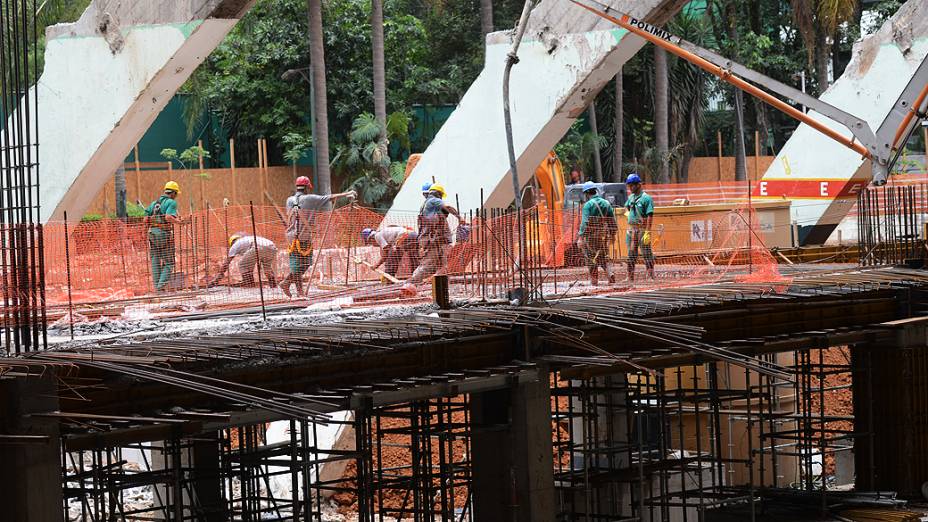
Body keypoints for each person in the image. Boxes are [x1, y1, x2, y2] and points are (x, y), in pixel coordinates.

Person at [278, 176, 357, 297]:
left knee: (303, 264)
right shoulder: (310, 199)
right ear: (306, 188)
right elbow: (330, 197)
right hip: (302, 236)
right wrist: (348, 193)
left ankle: (286, 282)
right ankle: (300, 293)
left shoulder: (289, 200)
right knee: (299, 266)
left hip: (292, 236)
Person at [409, 183, 461, 284]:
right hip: (433, 240)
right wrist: (460, 218)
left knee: (442, 265)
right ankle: (410, 284)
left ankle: (441, 286)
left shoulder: (427, 206)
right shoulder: (433, 200)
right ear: (438, 194)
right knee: (427, 265)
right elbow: (448, 207)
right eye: (441, 196)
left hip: (435, 240)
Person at [144, 181, 184, 292]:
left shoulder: (153, 204)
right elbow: (168, 217)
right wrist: (179, 222)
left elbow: (145, 219)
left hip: (152, 234)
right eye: (176, 194)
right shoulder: (171, 202)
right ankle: (160, 287)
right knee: (169, 263)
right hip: (163, 234)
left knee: (155, 260)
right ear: (173, 193)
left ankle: (158, 289)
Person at [577, 181, 617, 285]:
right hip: (603, 235)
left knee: (590, 257)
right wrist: (613, 235)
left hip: (591, 236)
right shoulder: (606, 203)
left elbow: (584, 222)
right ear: (595, 191)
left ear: (586, 193)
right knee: (603, 255)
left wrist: (580, 237)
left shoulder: (588, 205)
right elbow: (612, 221)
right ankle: (610, 273)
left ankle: (594, 281)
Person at [208, 234, 278, 287]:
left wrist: (219, 276)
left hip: (257, 247)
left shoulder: (235, 245)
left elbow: (227, 262)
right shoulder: (247, 239)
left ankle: (249, 285)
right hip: (272, 248)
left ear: (232, 242)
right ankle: (274, 286)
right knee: (267, 269)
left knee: (243, 265)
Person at [622, 173, 655, 281]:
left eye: (632, 185)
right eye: (629, 185)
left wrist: (648, 232)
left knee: (646, 253)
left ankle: (650, 275)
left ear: (638, 185)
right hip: (632, 230)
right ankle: (630, 276)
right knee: (631, 254)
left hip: (642, 229)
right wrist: (627, 213)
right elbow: (626, 207)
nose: (630, 188)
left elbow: (650, 215)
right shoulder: (631, 197)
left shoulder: (646, 198)